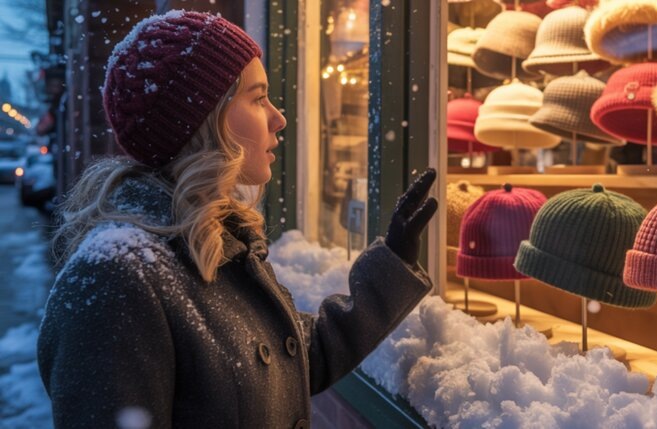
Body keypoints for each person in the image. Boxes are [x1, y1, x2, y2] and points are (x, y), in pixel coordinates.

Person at [37, 10, 438, 429]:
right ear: (203, 119)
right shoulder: (117, 279)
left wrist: (392, 265)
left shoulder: (212, 239)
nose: (278, 118)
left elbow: (293, 358)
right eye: (258, 97)